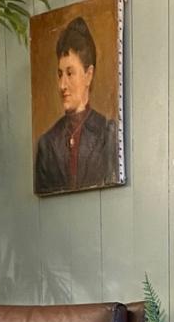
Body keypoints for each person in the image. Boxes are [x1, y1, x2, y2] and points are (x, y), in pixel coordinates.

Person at [34, 16, 117, 194]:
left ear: (88, 75)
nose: (62, 85)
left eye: (70, 73)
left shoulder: (107, 134)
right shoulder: (47, 145)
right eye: (60, 74)